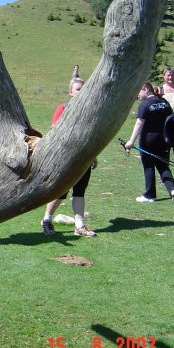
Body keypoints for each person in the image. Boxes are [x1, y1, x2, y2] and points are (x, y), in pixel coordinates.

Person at [40, 77, 97, 237]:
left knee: (79, 191)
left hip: (84, 157)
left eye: (82, 89)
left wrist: (93, 155)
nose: (80, 92)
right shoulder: (63, 108)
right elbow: (55, 131)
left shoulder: (89, 110)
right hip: (65, 158)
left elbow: (91, 135)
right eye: (77, 89)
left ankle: (79, 226)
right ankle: (47, 219)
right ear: (70, 91)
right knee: (61, 192)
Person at [124, 81, 174, 202]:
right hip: (165, 139)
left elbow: (139, 123)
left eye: (139, 91)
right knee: (163, 166)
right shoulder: (164, 102)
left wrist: (131, 141)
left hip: (148, 140)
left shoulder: (145, 104)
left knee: (148, 166)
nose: (138, 95)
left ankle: (149, 195)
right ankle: (173, 190)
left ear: (146, 90)